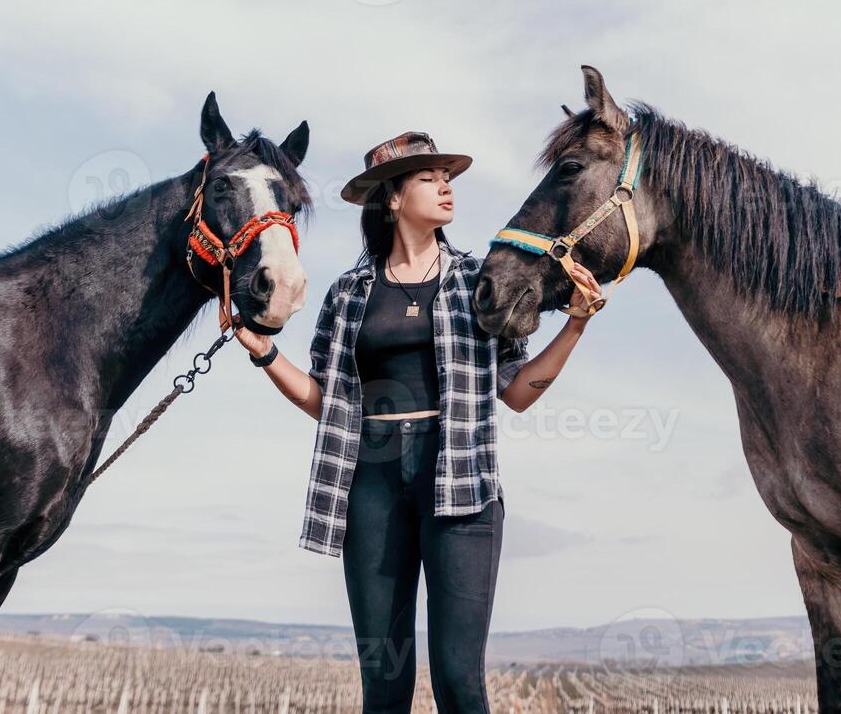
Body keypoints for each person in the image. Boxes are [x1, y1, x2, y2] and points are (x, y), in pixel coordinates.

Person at [235, 130, 600, 713]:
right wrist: (265, 354)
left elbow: (517, 391)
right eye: (428, 179)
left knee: (459, 680)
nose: (445, 187)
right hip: (370, 485)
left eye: (447, 177)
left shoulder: (479, 281)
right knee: (383, 686)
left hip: (461, 484)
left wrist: (575, 325)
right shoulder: (348, 294)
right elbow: (326, 402)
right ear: (393, 199)